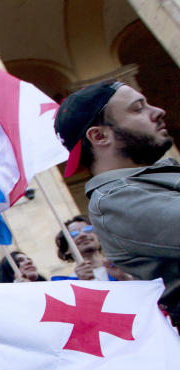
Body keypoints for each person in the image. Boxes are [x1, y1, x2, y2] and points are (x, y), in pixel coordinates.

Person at [54, 81, 179, 319]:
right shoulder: (113, 201)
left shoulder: (148, 181)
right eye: (138, 108)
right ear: (99, 136)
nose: (157, 111)